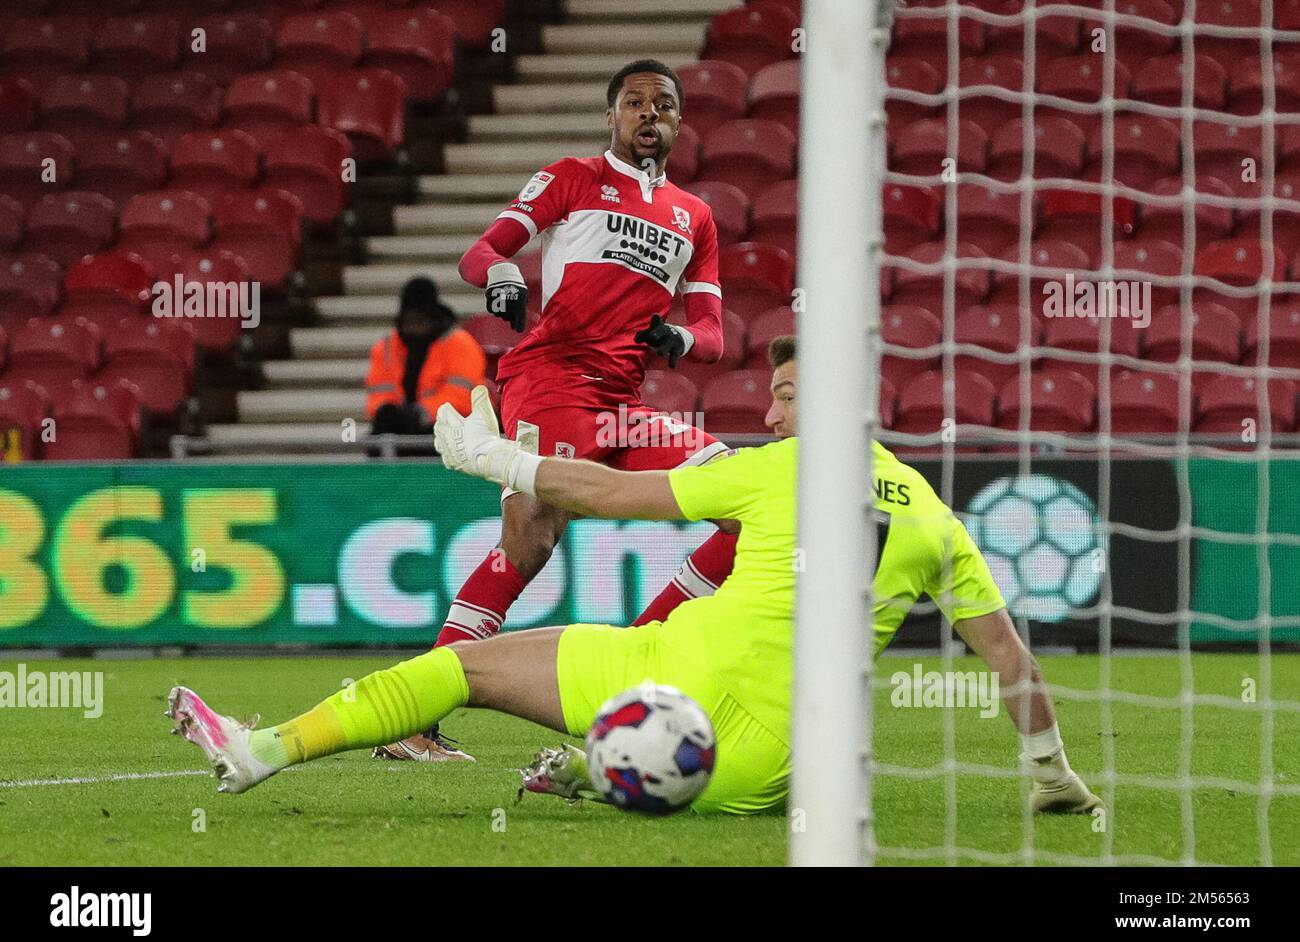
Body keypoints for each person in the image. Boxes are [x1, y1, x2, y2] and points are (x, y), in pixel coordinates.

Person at [166, 343, 1102, 816]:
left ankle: (264, 752)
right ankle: (596, 771)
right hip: (760, 756)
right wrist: (1049, 773)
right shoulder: (935, 517)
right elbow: (1009, 658)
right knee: (481, 674)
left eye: (789, 392)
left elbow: (612, 491)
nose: (775, 407)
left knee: (465, 671)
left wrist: (501, 460)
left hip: (670, 675)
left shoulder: (773, 470)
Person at [374, 58, 738, 761]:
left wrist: (681, 338)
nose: (649, 114)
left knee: (742, 502)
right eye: (634, 102)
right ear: (611, 116)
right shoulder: (571, 177)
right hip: (551, 378)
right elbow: (482, 252)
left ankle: (634, 663)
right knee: (532, 539)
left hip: (619, 400)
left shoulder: (695, 216)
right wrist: (506, 276)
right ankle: (414, 720)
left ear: (680, 120)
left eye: (663, 103)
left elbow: (716, 336)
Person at [365, 276, 485, 441]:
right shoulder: (385, 347)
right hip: (402, 429)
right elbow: (379, 393)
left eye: (420, 321)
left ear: (434, 319)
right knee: (378, 438)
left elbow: (461, 398)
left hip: (452, 430)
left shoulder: (460, 344)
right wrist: (384, 411)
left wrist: (421, 414)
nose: (414, 328)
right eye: (408, 321)